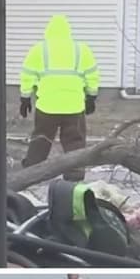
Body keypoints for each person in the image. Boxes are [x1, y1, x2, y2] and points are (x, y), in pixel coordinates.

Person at [19, 14, 100, 181]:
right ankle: (75, 173)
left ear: (48, 31)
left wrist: (25, 98)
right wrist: (92, 97)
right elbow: (92, 75)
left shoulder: (39, 50)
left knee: (41, 138)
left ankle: (32, 170)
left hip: (47, 106)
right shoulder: (81, 50)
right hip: (74, 106)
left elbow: (27, 74)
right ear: (68, 31)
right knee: (74, 141)